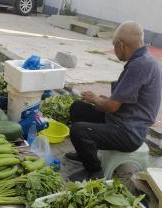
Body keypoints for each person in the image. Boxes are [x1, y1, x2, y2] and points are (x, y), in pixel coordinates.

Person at [66, 21, 162, 182]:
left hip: (129, 132)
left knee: (78, 131)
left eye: (114, 46)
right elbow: (123, 100)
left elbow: (111, 107)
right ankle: (84, 153)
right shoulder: (143, 60)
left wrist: (95, 99)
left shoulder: (140, 65)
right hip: (122, 119)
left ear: (121, 45)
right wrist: (103, 100)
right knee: (78, 108)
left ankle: (95, 172)